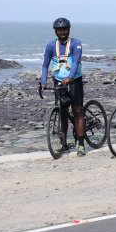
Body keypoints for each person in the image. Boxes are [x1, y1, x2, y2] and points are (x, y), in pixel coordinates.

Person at [39, 17, 86, 156]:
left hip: (74, 81)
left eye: (65, 29)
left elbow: (76, 61)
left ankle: (81, 144)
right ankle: (63, 143)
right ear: (55, 31)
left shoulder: (75, 43)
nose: (62, 32)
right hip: (58, 81)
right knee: (62, 113)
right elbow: (45, 65)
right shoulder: (50, 46)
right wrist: (43, 82)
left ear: (69, 30)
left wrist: (70, 77)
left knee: (77, 111)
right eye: (60, 30)